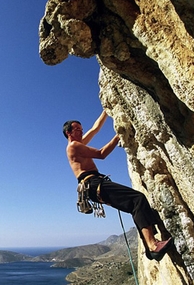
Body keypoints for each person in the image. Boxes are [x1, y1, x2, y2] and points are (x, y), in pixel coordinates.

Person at [63, 110, 173, 261]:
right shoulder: (73, 146)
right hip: (93, 184)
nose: (81, 132)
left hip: (93, 186)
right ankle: (153, 246)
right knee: (137, 199)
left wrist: (105, 111)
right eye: (77, 130)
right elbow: (101, 153)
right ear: (69, 132)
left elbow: (95, 129)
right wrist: (118, 135)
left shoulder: (78, 144)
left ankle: (149, 247)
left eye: (82, 129)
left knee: (133, 205)